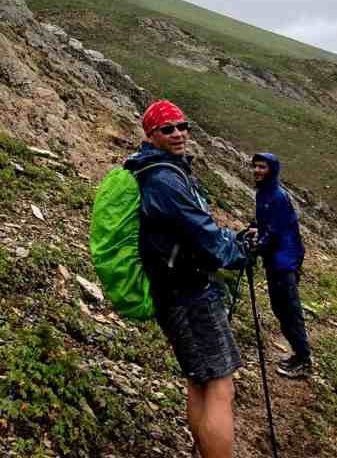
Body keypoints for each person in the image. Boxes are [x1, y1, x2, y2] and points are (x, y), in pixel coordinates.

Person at [127, 100, 248, 458]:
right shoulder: (164, 178)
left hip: (173, 291)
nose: (178, 134)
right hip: (190, 293)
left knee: (199, 382)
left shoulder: (156, 170)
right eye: (168, 129)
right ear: (151, 134)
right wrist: (239, 250)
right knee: (221, 388)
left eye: (182, 126)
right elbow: (206, 237)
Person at [249, 152, 311, 378]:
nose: (257, 170)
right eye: (255, 166)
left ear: (272, 170)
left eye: (262, 167)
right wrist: (257, 230)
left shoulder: (276, 196)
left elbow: (275, 231)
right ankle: (298, 355)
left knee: (289, 310)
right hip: (276, 259)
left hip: (284, 261)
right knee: (280, 309)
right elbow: (268, 225)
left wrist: (258, 247)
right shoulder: (264, 194)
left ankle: (304, 360)